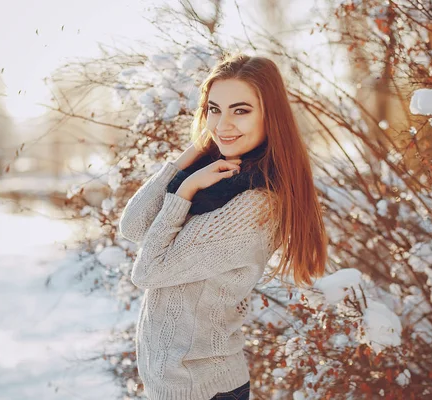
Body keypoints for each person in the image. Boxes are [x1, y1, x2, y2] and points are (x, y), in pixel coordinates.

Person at [118, 52, 328, 400]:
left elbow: (148, 270)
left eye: (240, 110)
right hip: (181, 385)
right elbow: (135, 224)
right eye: (214, 109)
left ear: (269, 116)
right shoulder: (219, 175)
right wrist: (191, 157)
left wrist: (184, 191)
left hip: (201, 388)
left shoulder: (255, 203)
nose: (223, 124)